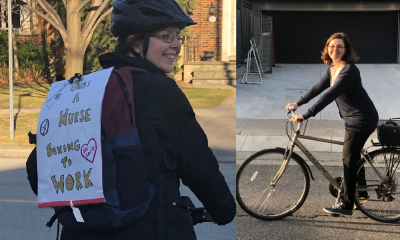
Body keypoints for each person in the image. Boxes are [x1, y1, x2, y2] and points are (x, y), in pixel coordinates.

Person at [26, 0, 235, 239]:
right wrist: (223, 211)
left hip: (80, 230)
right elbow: (196, 162)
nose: (176, 45)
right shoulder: (160, 91)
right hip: (151, 228)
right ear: (135, 42)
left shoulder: (83, 88)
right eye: (166, 37)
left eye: (178, 37)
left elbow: (40, 169)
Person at [285, 32, 378, 217]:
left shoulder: (349, 70)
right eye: (332, 46)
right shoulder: (333, 68)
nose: (335, 50)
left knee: (348, 159)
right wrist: (298, 103)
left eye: (339, 47)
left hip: (362, 118)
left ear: (346, 50)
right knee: (353, 155)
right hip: (353, 118)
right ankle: (362, 193)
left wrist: (306, 115)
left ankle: (346, 205)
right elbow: (318, 88)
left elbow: (329, 95)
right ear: (327, 48)